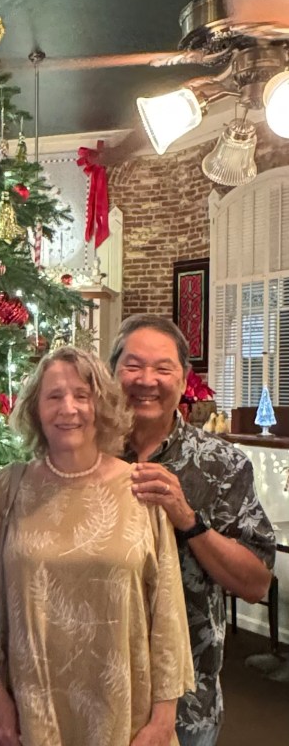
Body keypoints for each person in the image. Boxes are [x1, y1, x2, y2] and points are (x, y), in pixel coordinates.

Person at [0, 346, 193, 746]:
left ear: (103, 405)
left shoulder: (140, 487)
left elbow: (167, 611)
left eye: (82, 395)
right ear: (35, 409)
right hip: (31, 713)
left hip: (125, 715)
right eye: (54, 396)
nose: (69, 408)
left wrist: (164, 719)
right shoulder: (9, 488)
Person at [110, 315, 276, 746]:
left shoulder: (222, 464)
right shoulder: (86, 455)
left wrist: (188, 519)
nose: (147, 380)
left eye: (163, 369)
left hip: (188, 704)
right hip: (95, 688)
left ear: (184, 380)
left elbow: (256, 582)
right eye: (133, 366)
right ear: (112, 373)